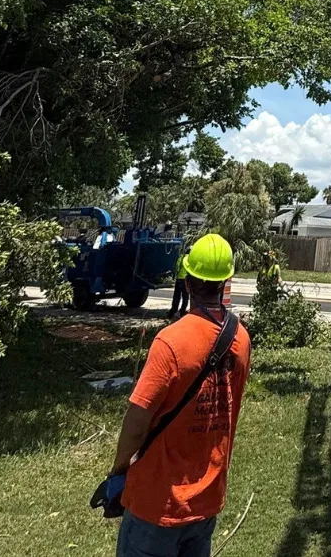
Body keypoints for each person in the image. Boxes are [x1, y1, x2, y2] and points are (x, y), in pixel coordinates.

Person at [104, 234, 252, 557]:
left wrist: (118, 468)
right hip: (206, 499)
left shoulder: (170, 341)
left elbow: (137, 422)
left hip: (157, 503)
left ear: (187, 283)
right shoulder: (241, 339)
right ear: (225, 283)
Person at [167, 244, 190, 319]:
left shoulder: (181, 257)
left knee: (176, 296)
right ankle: (182, 312)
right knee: (185, 297)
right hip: (185, 279)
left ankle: (173, 311)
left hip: (179, 278)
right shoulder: (190, 259)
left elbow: (177, 267)